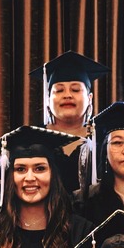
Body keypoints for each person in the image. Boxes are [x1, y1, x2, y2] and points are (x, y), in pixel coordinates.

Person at [30, 51, 106, 190]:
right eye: (59, 90)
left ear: (89, 98)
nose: (67, 95)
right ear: (48, 99)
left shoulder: (105, 141)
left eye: (76, 90)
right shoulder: (30, 139)